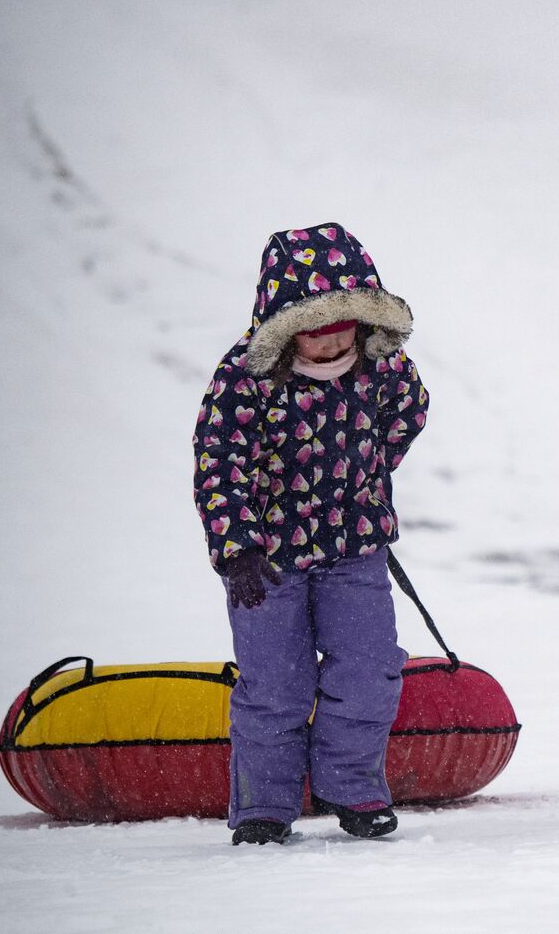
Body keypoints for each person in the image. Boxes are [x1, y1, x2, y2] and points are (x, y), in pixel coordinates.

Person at [192, 223, 428, 844]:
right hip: (268, 561)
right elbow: (220, 460)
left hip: (355, 551)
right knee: (275, 682)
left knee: (370, 667)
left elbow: (408, 417)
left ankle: (352, 788)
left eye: (341, 327)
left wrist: (368, 479)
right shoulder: (247, 379)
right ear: (287, 325)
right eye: (314, 331)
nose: (330, 345)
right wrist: (235, 545)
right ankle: (264, 806)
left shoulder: (384, 368)